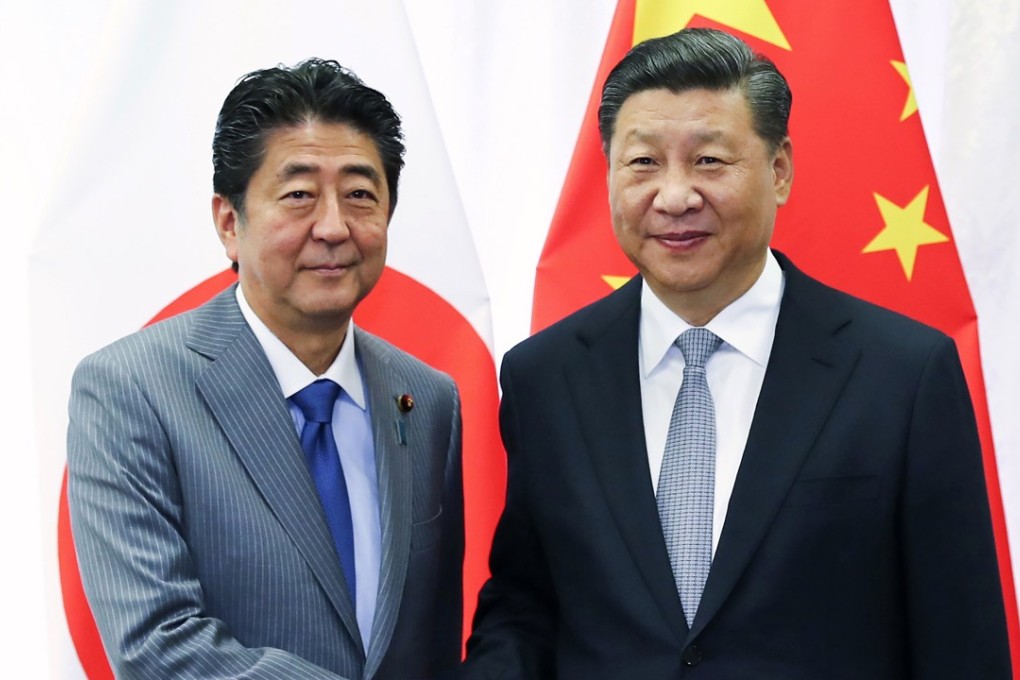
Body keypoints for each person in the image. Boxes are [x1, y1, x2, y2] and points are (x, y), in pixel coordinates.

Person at [462, 28, 1010, 679]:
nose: (674, 196)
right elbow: (525, 608)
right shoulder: (545, 377)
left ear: (779, 171)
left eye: (709, 161)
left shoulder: (903, 375)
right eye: (643, 163)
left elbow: (960, 637)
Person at [67, 58, 463, 679]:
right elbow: (158, 646)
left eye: (360, 195)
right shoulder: (131, 390)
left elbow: (432, 644)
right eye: (299, 195)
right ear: (230, 222)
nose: (333, 227)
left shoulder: (427, 399)